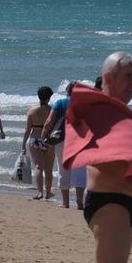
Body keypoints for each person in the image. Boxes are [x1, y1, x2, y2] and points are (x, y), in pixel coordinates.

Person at [63, 51, 132, 263]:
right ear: (108, 78)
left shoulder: (116, 116)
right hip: (110, 202)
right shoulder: (99, 115)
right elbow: (106, 163)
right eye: (128, 78)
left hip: (121, 202)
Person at [42, 81, 85, 209]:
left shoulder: (59, 103)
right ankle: (79, 201)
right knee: (80, 170)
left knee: (63, 169)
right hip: (79, 140)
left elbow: (49, 121)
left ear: (67, 91)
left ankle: (66, 202)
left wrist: (43, 136)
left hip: (61, 140)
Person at [22, 86, 56, 201]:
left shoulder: (32, 110)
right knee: (48, 169)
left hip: (35, 139)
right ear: (49, 97)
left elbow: (27, 129)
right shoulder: (52, 110)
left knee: (37, 166)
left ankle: (40, 192)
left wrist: (23, 144)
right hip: (48, 139)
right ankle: (48, 192)